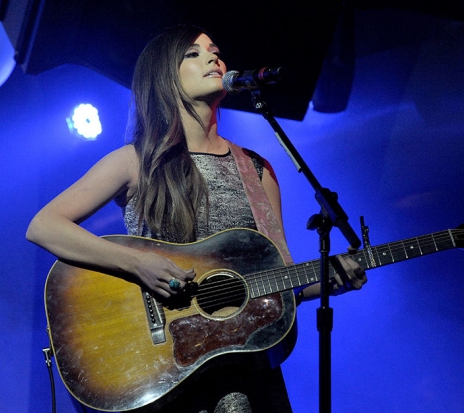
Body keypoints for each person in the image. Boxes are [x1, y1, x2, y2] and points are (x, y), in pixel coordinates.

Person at [26, 24, 367, 413]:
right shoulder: (136, 161)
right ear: (163, 77)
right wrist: (138, 263)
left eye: (216, 51)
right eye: (193, 53)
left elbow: (280, 278)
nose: (213, 58)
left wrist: (326, 279)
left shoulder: (256, 170)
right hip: (164, 369)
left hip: (242, 370)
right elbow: (44, 225)